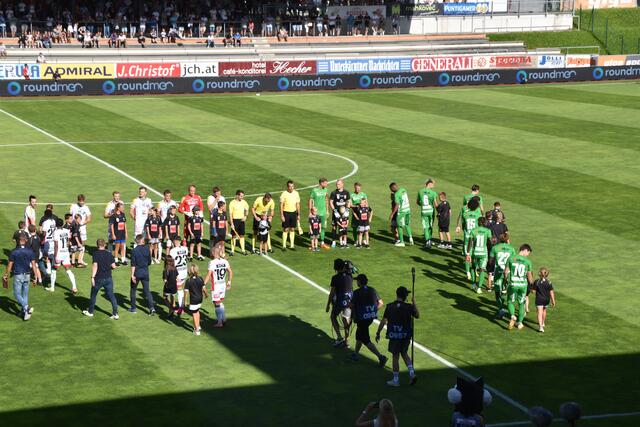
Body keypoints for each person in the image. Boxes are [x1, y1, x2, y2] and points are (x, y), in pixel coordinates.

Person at [376, 286, 419, 387]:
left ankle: (396, 380)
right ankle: (412, 374)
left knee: (395, 356)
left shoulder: (390, 306)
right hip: (405, 335)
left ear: (397, 294)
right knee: (404, 353)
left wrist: (378, 332)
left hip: (394, 335)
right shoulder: (409, 307)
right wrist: (414, 304)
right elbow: (417, 315)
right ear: (405, 296)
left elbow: (384, 321)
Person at [349, 274, 387, 365]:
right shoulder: (372, 290)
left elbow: (351, 305)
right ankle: (355, 354)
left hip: (361, 319)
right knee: (359, 336)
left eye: (357, 281)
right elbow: (381, 303)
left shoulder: (356, 292)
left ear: (359, 282)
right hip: (369, 318)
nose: (356, 282)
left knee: (365, 340)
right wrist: (372, 311)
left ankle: (381, 357)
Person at [4, 234, 39, 320]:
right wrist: (36, 276)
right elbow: (34, 265)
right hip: (27, 275)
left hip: (18, 275)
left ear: (17, 241)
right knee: (25, 295)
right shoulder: (30, 251)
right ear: (26, 240)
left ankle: (26, 307)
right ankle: (24, 313)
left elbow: (10, 265)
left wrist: (6, 274)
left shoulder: (14, 251)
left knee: (17, 294)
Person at [82, 239, 119, 319]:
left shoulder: (95, 254)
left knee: (93, 295)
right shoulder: (109, 254)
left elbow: (95, 266)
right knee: (111, 295)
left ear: (97, 245)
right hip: (108, 278)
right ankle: (115, 314)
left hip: (99, 278)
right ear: (104, 245)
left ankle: (90, 312)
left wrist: (92, 277)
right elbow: (113, 266)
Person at [488, 233, 516, 319]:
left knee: (497, 292)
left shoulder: (495, 248)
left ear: (499, 239)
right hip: (508, 273)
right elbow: (514, 261)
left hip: (498, 273)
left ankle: (501, 309)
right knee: (506, 291)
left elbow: (490, 261)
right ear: (507, 239)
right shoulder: (511, 248)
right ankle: (510, 310)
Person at [505, 244, 533, 330]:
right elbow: (529, 275)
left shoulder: (511, 258)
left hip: (513, 284)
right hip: (523, 285)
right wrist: (531, 284)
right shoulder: (528, 261)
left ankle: (513, 316)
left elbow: (506, 271)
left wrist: (505, 280)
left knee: (510, 301)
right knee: (521, 303)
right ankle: (520, 323)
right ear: (525, 250)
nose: (528, 255)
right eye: (528, 252)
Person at [326, 259, 353, 348]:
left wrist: (328, 305)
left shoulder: (335, 278)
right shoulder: (350, 275)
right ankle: (347, 341)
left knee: (333, 316)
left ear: (335, 268)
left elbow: (332, 293)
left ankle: (339, 337)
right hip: (350, 302)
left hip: (340, 302)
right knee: (346, 319)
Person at [49, 216, 78, 293]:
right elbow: (68, 241)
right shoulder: (66, 230)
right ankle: (74, 287)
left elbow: (56, 245)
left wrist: (55, 255)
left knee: (53, 269)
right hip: (66, 252)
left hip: (59, 253)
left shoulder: (56, 232)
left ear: (56, 224)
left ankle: (52, 287)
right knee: (68, 270)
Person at [457, 197, 482, 281]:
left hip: (467, 237)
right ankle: (475, 270)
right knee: (475, 255)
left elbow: (463, 225)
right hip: (475, 237)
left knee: (467, 255)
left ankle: (468, 272)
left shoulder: (465, 214)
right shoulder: (478, 215)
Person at [205, 254, 233, 328]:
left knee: (216, 303)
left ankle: (219, 322)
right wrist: (229, 282)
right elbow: (230, 271)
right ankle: (224, 319)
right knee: (219, 302)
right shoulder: (225, 261)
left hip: (216, 286)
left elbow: (208, 274)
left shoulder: (212, 262)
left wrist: (203, 284)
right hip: (222, 285)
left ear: (213, 253)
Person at [130, 234, 155, 315]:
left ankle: (133, 308)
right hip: (145, 272)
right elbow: (149, 262)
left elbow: (133, 264)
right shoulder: (147, 249)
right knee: (147, 291)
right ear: (141, 240)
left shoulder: (134, 251)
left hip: (137, 273)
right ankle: (152, 308)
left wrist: (132, 275)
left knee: (133, 290)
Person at [467, 217, 493, 294]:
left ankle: (473, 284)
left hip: (475, 252)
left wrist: (468, 253)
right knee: (482, 270)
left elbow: (470, 243)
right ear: (484, 223)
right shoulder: (487, 231)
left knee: (473, 267)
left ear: (478, 223)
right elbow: (490, 242)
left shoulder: (473, 231)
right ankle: (479, 288)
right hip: (483, 253)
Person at [184, 264, 207, 335]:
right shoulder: (200, 278)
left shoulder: (188, 281)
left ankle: (197, 330)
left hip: (193, 300)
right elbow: (204, 289)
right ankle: (198, 326)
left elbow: (186, 292)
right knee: (197, 311)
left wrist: (185, 301)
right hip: (200, 299)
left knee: (194, 313)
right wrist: (206, 294)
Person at [531, 267, 556, 333]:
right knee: (544, 310)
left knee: (539, 312)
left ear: (540, 274)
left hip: (539, 299)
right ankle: (543, 323)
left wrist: (531, 288)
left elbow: (533, 291)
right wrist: (553, 300)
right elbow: (551, 292)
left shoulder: (537, 282)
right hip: (546, 300)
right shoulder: (549, 282)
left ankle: (541, 327)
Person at [70, 194, 91, 267]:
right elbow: (70, 217)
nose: (81, 202)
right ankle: (73, 261)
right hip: (74, 228)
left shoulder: (86, 208)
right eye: (80, 201)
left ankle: (80, 260)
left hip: (82, 228)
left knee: (82, 243)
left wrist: (82, 223)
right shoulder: (73, 206)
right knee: (74, 243)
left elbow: (89, 218)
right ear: (78, 200)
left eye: (83, 201)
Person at [389, 183, 413, 247]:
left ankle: (402, 242)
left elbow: (397, 205)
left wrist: (392, 214)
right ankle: (411, 239)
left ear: (393, 188)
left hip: (402, 212)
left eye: (391, 189)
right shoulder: (403, 190)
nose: (391, 191)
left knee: (399, 226)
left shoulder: (396, 194)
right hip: (408, 210)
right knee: (407, 224)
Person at [169, 241, 189, 316]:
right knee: (180, 289)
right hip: (184, 271)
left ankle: (181, 308)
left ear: (174, 242)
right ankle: (180, 306)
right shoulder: (185, 248)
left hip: (177, 273)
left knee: (179, 290)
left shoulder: (173, 250)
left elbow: (170, 261)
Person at [416, 179, 438, 248]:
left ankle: (427, 241)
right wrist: (439, 212)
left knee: (425, 226)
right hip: (431, 211)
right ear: (429, 184)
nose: (434, 185)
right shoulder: (433, 193)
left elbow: (417, 202)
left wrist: (423, 205)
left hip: (424, 211)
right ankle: (429, 240)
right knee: (430, 226)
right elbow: (436, 204)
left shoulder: (420, 191)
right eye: (433, 184)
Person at [309, 178, 330, 248]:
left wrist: (327, 210)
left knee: (323, 227)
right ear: (321, 183)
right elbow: (311, 200)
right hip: (316, 213)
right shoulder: (314, 190)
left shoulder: (326, 190)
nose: (327, 184)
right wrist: (310, 211)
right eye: (325, 183)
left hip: (323, 212)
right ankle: (312, 244)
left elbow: (326, 200)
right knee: (314, 228)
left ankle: (322, 243)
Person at [280, 180, 300, 250]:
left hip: (293, 213)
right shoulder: (284, 194)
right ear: (287, 187)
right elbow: (281, 205)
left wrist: (298, 214)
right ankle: (284, 246)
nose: (291, 188)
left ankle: (292, 245)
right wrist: (282, 215)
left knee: (292, 229)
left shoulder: (296, 193)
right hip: (286, 213)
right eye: (290, 186)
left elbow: (298, 204)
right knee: (285, 229)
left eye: (292, 186)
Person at [329, 179, 350, 248]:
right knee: (334, 227)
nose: (337, 185)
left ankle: (344, 242)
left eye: (338, 184)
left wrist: (347, 210)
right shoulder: (333, 192)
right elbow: (331, 202)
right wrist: (334, 211)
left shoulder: (346, 192)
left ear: (342, 184)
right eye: (336, 184)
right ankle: (333, 241)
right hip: (336, 213)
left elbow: (348, 201)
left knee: (344, 227)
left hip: (344, 213)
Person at [229, 190, 249, 256]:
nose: (242, 197)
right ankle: (232, 251)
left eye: (243, 196)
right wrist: (232, 223)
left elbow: (247, 209)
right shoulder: (232, 203)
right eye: (241, 196)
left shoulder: (244, 202)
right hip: (235, 220)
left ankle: (243, 250)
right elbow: (230, 214)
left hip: (241, 221)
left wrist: (245, 216)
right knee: (234, 236)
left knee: (242, 235)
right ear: (237, 196)